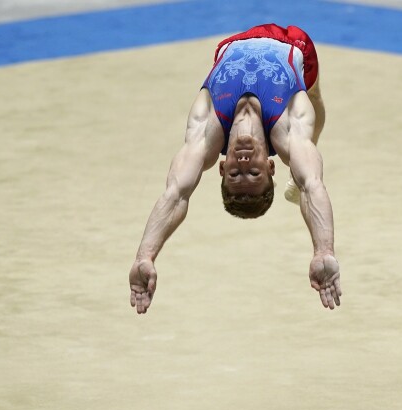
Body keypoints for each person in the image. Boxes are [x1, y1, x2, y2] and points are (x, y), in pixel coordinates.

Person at [129, 24, 341, 313]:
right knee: (310, 112)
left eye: (235, 174)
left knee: (305, 149)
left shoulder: (206, 136)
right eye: (254, 173)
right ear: (270, 166)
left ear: (221, 166)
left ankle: (303, 156)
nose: (243, 164)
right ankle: (308, 148)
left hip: (230, 45)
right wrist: (323, 250)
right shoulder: (286, 132)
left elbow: (176, 194)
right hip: (295, 44)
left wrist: (145, 255)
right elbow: (313, 185)